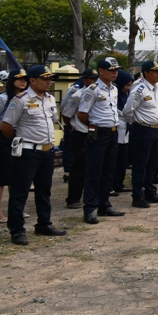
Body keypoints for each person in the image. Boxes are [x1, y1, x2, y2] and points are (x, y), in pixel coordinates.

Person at [0, 65, 67, 245]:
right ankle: (17, 230)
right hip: (28, 152)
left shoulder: (51, 99)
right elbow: (5, 126)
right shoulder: (21, 100)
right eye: (44, 78)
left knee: (44, 190)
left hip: (47, 151)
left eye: (50, 78)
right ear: (33, 80)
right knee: (20, 192)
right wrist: (21, 139)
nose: (48, 82)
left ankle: (44, 224)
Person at [78, 57, 125, 224]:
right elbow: (82, 114)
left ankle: (104, 204)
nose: (115, 73)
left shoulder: (114, 89)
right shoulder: (92, 90)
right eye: (111, 70)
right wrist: (94, 127)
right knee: (94, 171)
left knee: (108, 171)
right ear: (101, 71)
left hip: (113, 132)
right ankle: (90, 208)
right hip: (99, 133)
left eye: (116, 70)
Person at [123, 61, 158, 209]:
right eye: (155, 71)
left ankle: (150, 192)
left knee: (152, 164)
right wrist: (136, 123)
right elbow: (128, 111)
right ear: (146, 73)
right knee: (140, 164)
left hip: (156, 130)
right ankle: (137, 196)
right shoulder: (140, 89)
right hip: (142, 130)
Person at [0, 69, 28, 223]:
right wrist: (0, 134)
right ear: (11, 81)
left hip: (18, 137)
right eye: (19, 79)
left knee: (16, 175)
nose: (23, 81)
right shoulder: (3, 98)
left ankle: (15, 209)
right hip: (2, 138)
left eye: (25, 78)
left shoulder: (26, 98)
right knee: (0, 175)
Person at [60, 68, 98, 209]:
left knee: (94, 167)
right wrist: (72, 126)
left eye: (96, 78)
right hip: (81, 134)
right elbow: (66, 114)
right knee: (79, 168)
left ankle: (91, 195)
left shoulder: (100, 93)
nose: (95, 81)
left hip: (95, 133)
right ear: (84, 80)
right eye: (92, 79)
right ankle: (73, 198)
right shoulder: (78, 95)